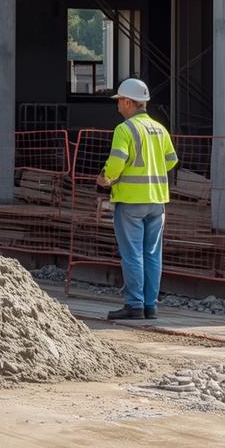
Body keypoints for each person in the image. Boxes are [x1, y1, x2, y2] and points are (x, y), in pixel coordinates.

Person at [96, 78, 177, 321]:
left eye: (119, 101)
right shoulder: (159, 129)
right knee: (152, 254)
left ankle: (134, 305)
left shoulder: (125, 129)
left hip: (131, 202)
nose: (118, 106)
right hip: (157, 202)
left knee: (132, 254)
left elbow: (117, 163)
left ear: (129, 102)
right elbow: (171, 160)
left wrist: (106, 177)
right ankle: (150, 306)